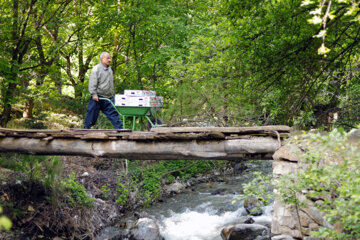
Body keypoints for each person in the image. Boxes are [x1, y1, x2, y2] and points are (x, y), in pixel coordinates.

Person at [84, 51, 123, 129]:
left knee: (114, 114)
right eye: (107, 58)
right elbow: (92, 82)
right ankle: (86, 130)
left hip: (108, 97)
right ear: (102, 59)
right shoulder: (96, 69)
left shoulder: (110, 70)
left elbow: (110, 84)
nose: (109, 60)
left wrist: (113, 95)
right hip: (98, 97)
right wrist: (94, 94)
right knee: (91, 115)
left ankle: (121, 130)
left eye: (110, 58)